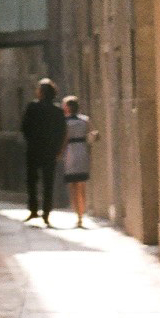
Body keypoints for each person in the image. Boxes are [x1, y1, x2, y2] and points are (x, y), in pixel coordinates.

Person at [19, 77, 67, 224]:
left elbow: (25, 127)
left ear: (41, 92)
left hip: (34, 149)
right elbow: (62, 131)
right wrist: (58, 149)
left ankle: (33, 210)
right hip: (50, 151)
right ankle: (46, 211)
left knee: (31, 180)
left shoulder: (32, 107)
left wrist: (31, 141)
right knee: (48, 182)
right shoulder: (58, 110)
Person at [61, 95, 92, 227]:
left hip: (70, 151)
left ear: (67, 108)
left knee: (73, 185)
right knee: (81, 184)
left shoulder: (63, 122)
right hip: (82, 150)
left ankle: (78, 214)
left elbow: (63, 139)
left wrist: (60, 152)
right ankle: (81, 214)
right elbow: (90, 135)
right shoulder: (85, 120)